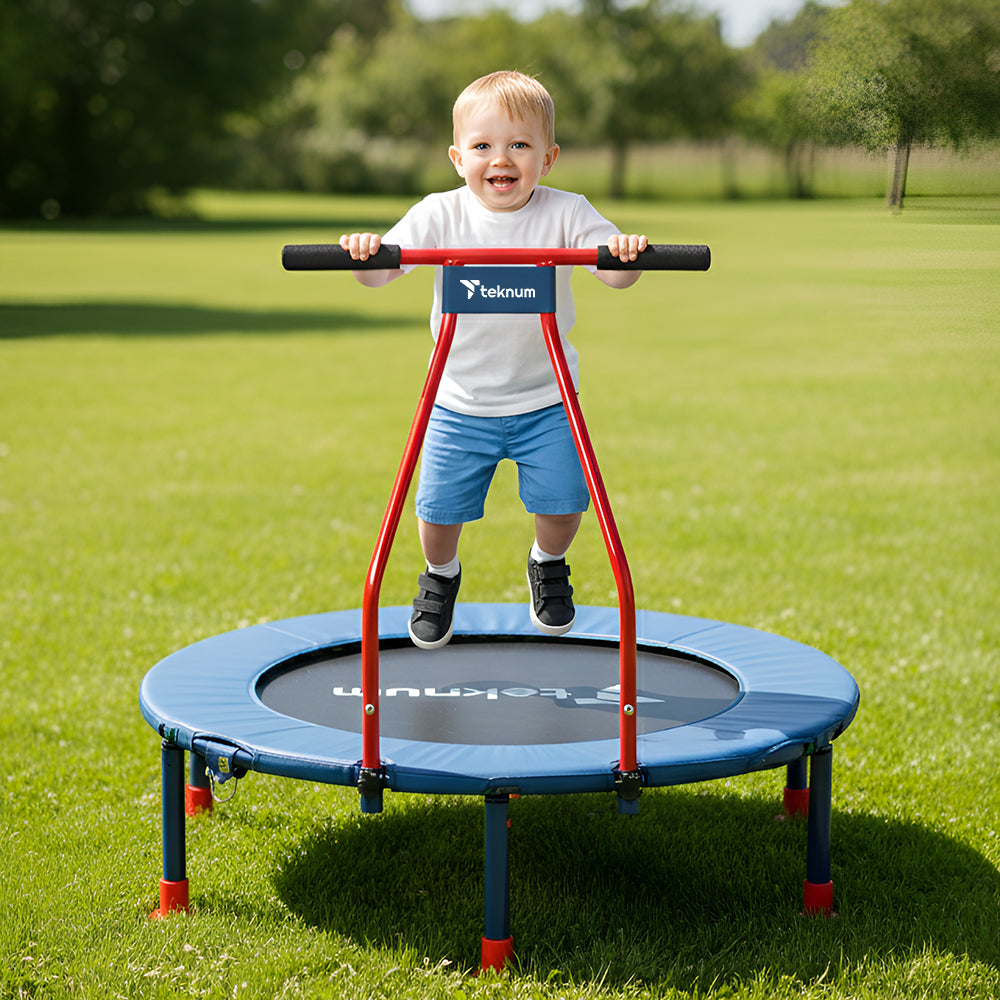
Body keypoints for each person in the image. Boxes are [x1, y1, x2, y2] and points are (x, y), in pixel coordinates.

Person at [340, 70, 646, 650]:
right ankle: (440, 575)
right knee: (436, 512)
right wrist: (362, 252)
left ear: (548, 157)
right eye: (482, 146)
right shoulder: (440, 213)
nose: (499, 159)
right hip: (458, 401)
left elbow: (617, 274)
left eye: (519, 145)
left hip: (548, 399)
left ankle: (547, 562)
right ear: (458, 157)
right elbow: (379, 272)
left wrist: (625, 253)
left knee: (564, 504)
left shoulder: (566, 211)